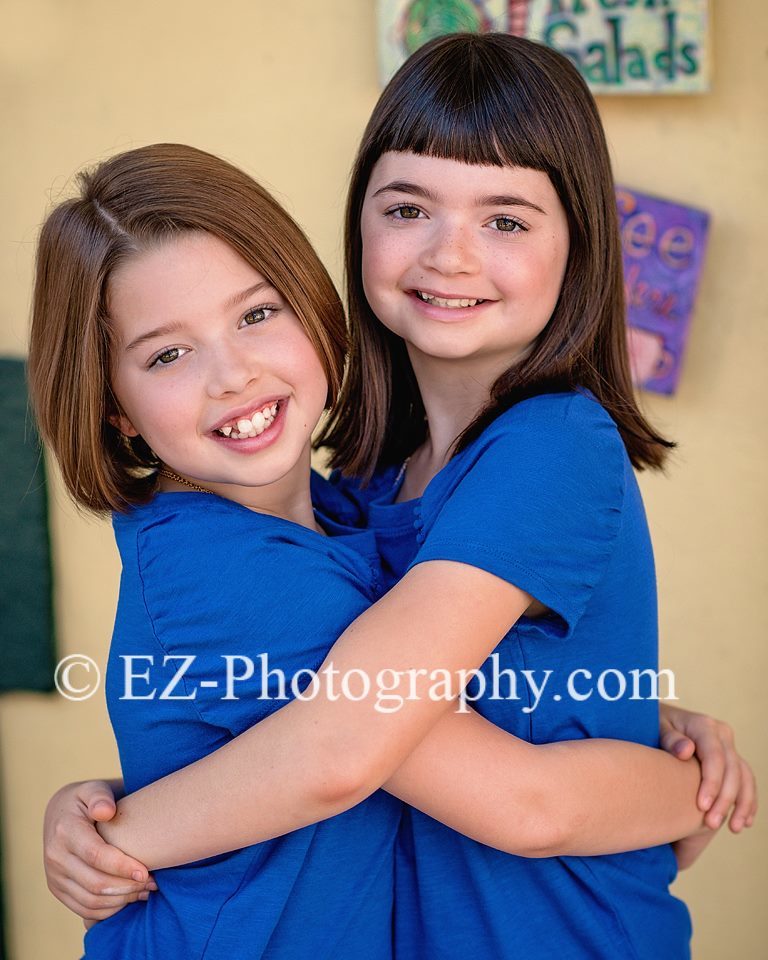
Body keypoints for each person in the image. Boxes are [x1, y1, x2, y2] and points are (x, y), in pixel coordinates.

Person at [40, 35, 756, 959]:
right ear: (358, 225)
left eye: (507, 219)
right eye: (409, 207)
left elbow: (363, 743)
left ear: (579, 240)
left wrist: (120, 834)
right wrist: (668, 765)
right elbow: (327, 737)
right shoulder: (362, 488)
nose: (450, 256)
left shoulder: (553, 445)